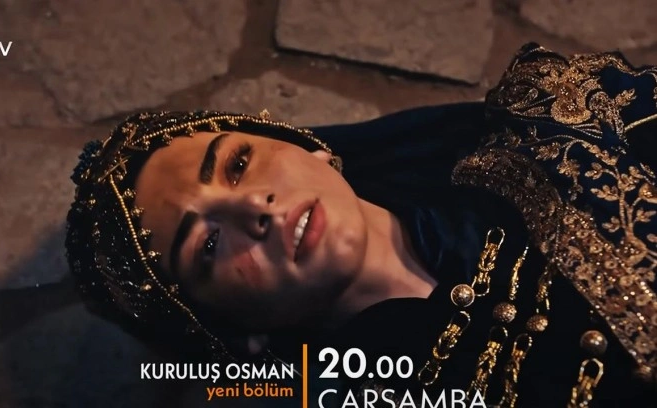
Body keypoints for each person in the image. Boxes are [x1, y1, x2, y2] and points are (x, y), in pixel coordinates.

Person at [65, 43, 657, 407]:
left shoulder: (551, 123)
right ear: (234, 333)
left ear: (306, 146)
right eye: (210, 243)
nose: (255, 209)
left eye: (238, 164)